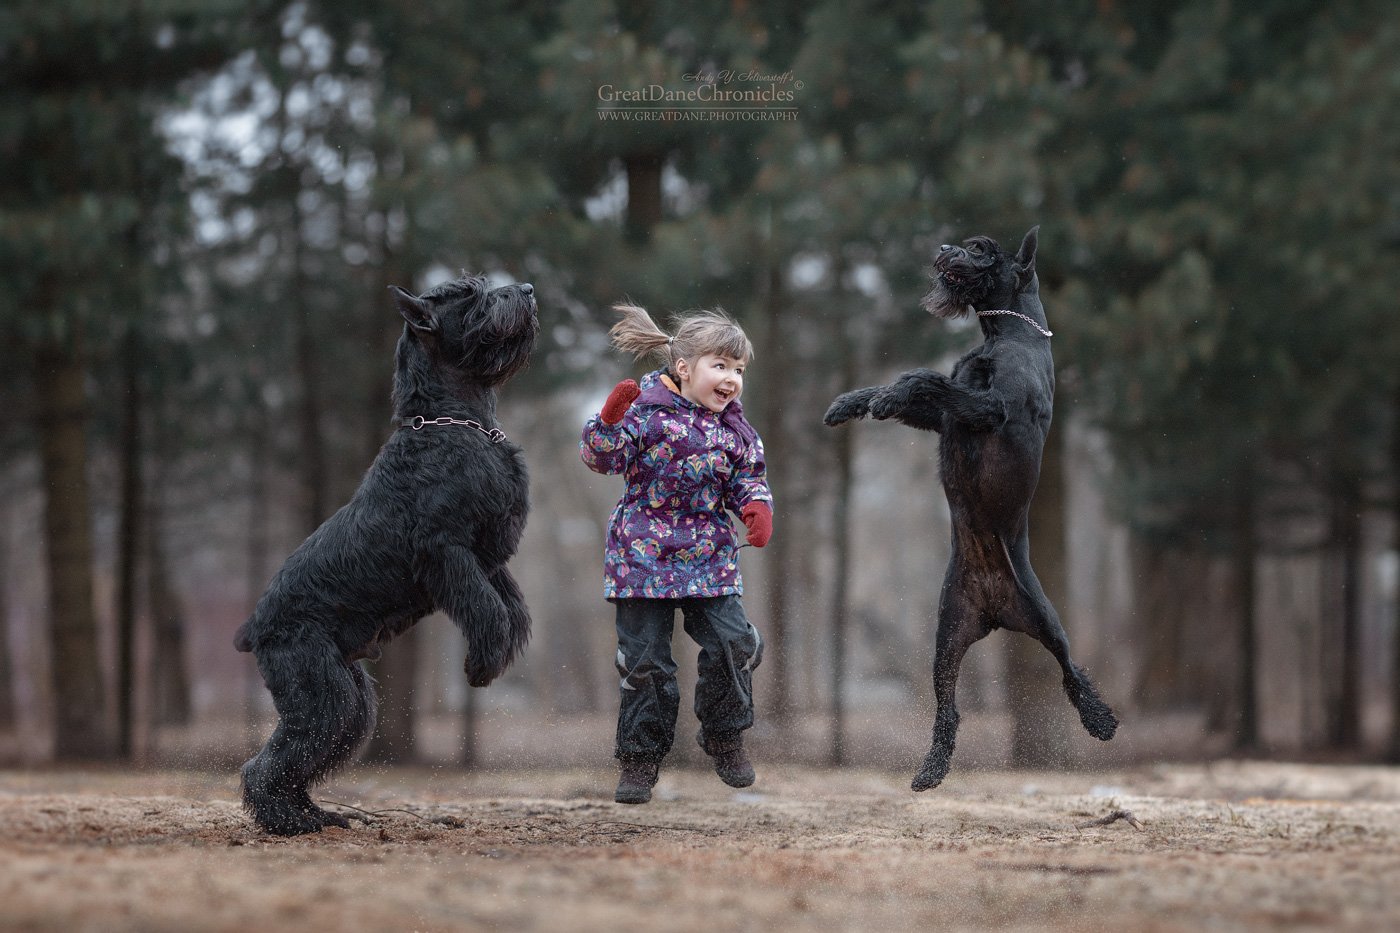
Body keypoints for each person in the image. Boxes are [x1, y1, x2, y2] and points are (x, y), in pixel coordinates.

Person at [580, 302, 774, 805]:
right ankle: (641, 760)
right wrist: (607, 421)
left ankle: (724, 735)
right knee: (646, 664)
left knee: (734, 645)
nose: (731, 379)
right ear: (684, 368)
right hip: (641, 558)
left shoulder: (736, 429)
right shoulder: (643, 411)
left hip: (709, 555)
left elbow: (748, 477)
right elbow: (603, 459)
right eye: (720, 366)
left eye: (738, 370)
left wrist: (755, 507)